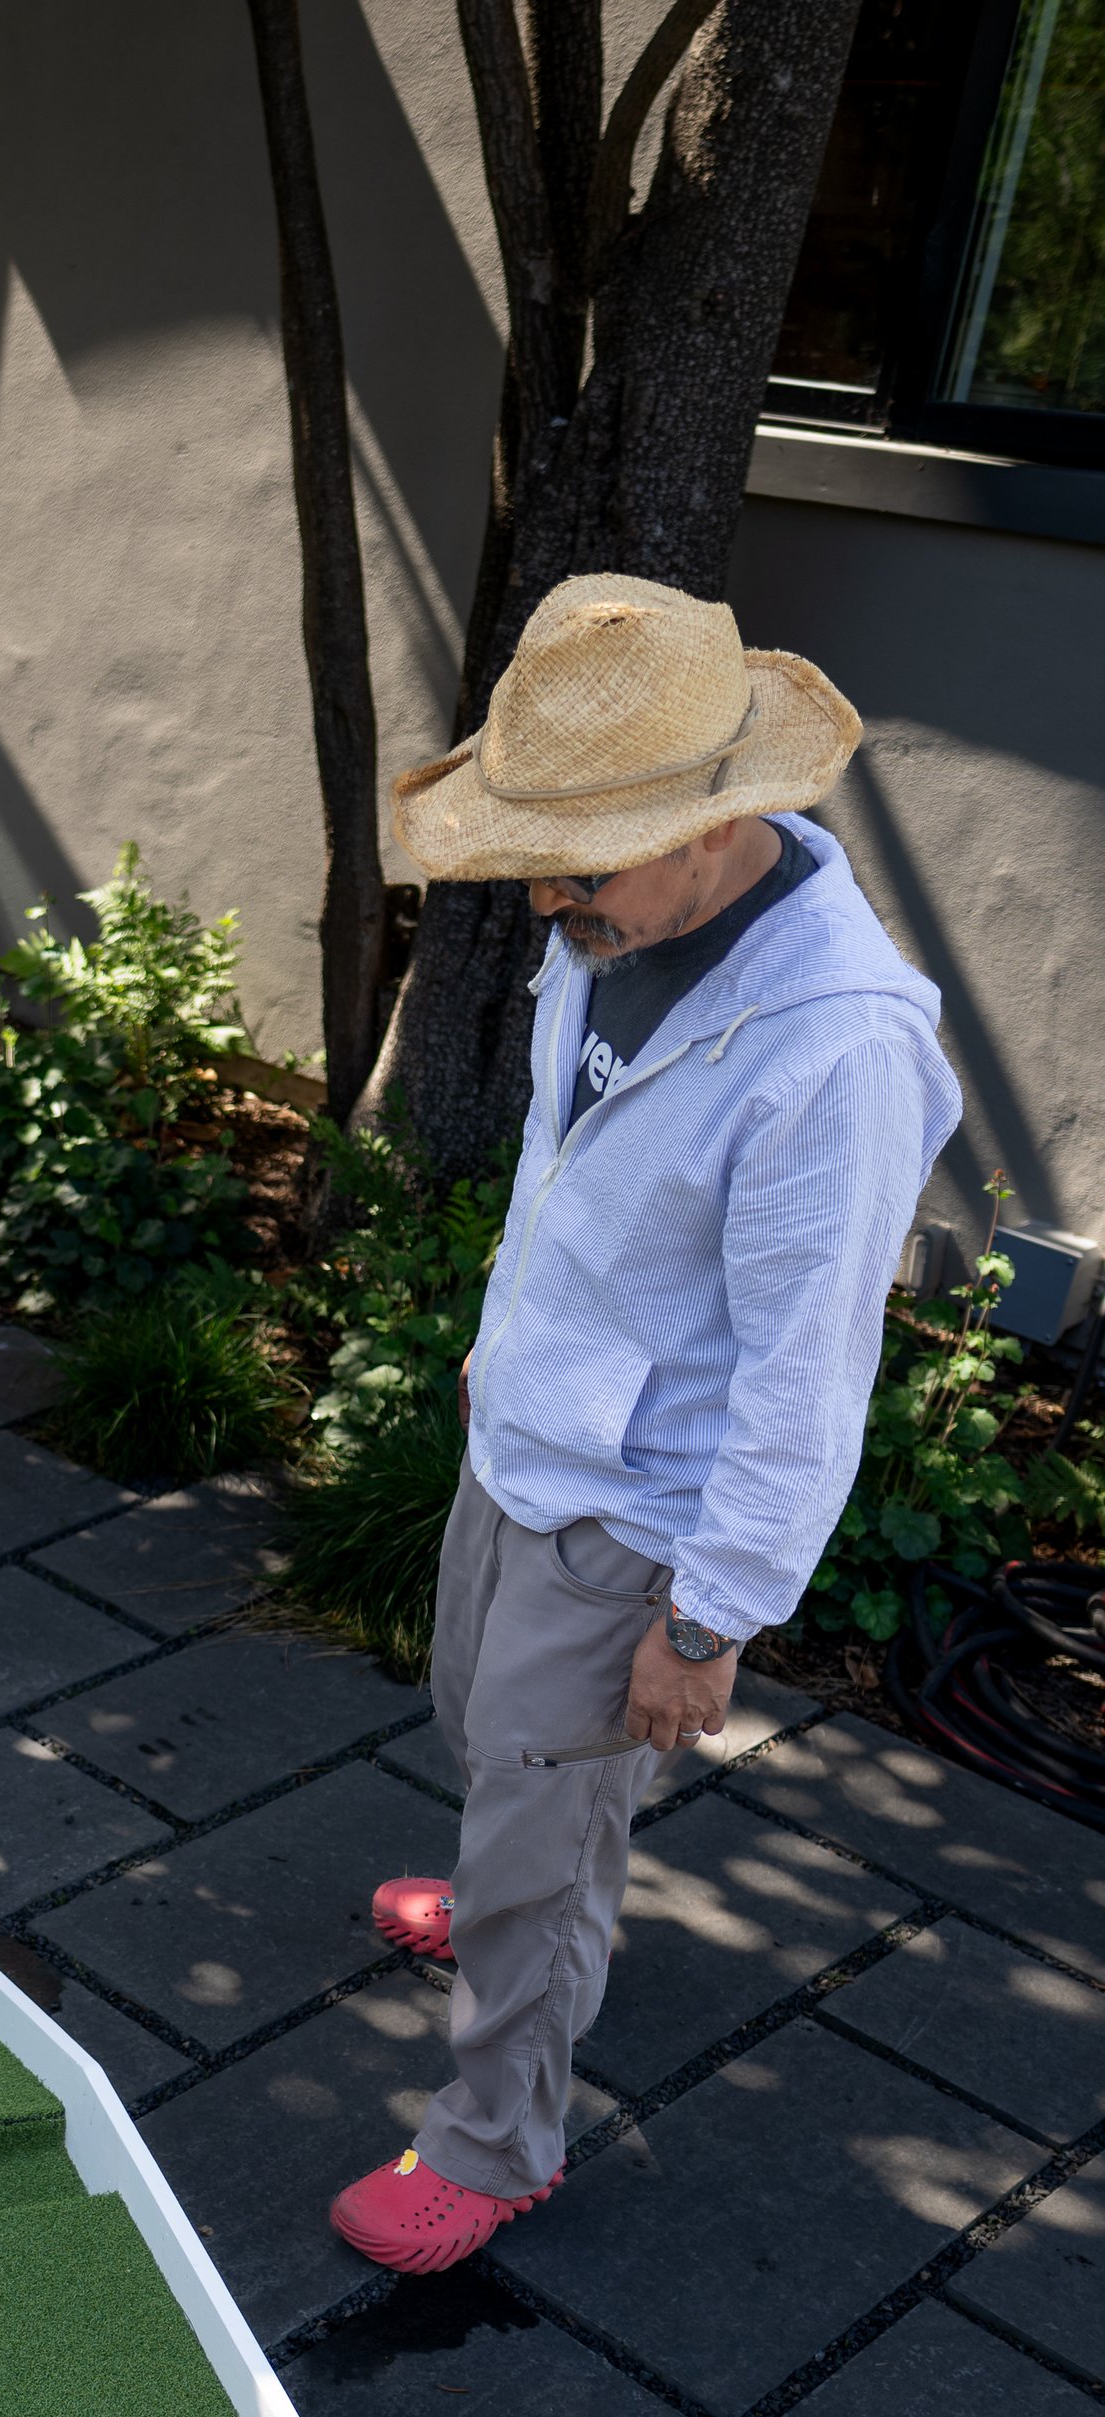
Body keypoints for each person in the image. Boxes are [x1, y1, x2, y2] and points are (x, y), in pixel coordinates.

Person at [328, 572, 960, 2275]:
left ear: (717, 821)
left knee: (548, 1816)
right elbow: (571, 1176)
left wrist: (710, 1618)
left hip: (640, 1519)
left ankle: (495, 2136)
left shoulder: (838, 1048)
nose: (543, 892)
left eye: (580, 860)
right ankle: (510, 1884)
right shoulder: (609, 931)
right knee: (487, 1723)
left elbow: (806, 1373)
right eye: (537, 847)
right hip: (523, 1433)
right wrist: (499, 1348)